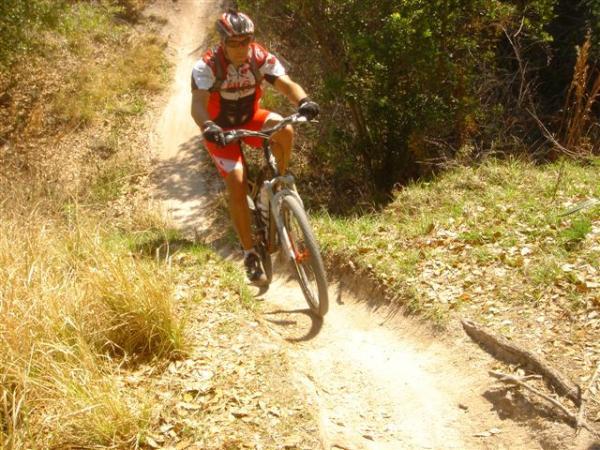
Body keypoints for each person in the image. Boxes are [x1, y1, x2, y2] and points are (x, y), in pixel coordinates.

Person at [190, 9, 319, 285]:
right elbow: (198, 105)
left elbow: (286, 84)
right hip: (221, 130)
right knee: (236, 182)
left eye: (245, 41)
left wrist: (304, 101)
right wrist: (208, 127)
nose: (241, 48)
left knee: (285, 129)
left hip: (251, 118)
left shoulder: (259, 57)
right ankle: (249, 254)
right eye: (234, 42)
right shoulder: (207, 66)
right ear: (222, 42)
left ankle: (279, 185)